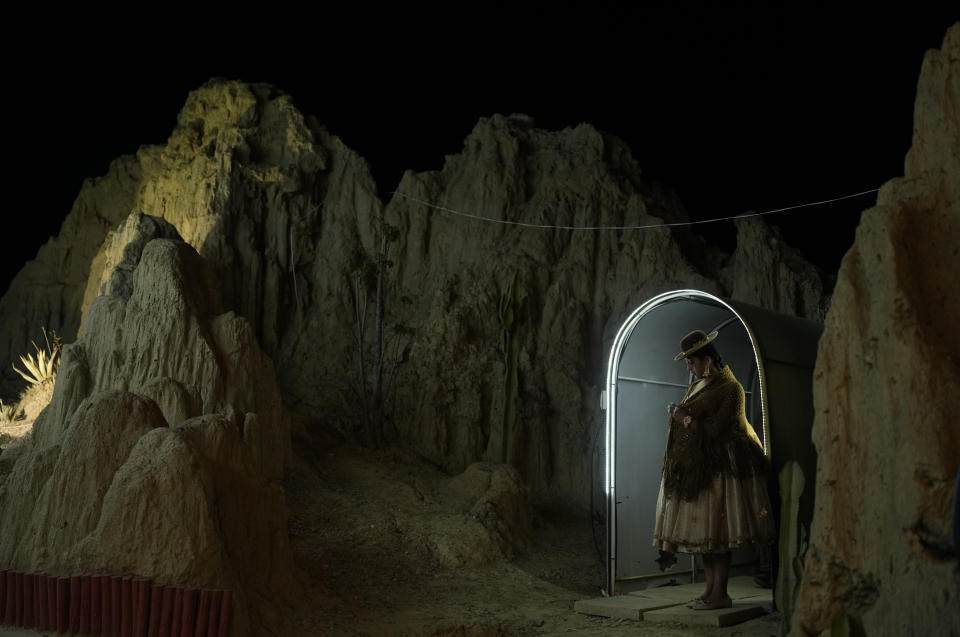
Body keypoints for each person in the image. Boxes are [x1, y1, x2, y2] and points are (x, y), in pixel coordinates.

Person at [652, 329, 775, 610]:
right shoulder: (699, 385)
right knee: (706, 539)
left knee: (717, 536)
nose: (690, 368)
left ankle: (720, 593)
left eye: (692, 362)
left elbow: (718, 430)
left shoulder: (729, 388)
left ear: (707, 360)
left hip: (722, 472)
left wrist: (683, 418)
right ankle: (710, 591)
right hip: (700, 470)